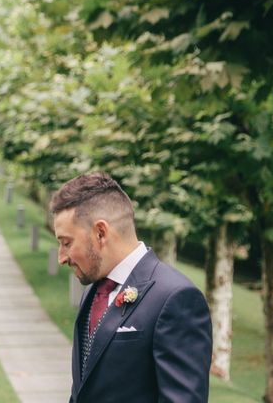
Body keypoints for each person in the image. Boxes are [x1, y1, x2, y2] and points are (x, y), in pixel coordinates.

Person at [50, 172, 212, 403]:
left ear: (101, 232)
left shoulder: (176, 298)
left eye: (67, 243)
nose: (61, 257)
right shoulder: (92, 292)